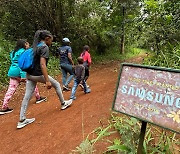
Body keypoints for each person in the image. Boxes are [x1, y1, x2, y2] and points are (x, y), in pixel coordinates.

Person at [17, 30, 72, 129]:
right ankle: (63, 103)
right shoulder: (44, 47)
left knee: (27, 96)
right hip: (38, 74)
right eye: (51, 40)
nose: (51, 42)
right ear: (47, 39)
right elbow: (42, 64)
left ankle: (21, 119)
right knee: (56, 84)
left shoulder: (35, 46)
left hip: (29, 75)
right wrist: (47, 80)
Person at [0, 39, 46, 115]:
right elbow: (22, 64)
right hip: (20, 72)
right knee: (32, 83)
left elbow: (15, 62)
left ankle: (4, 107)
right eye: (27, 44)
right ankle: (38, 97)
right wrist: (23, 75)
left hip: (12, 72)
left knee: (11, 89)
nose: (28, 45)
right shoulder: (23, 52)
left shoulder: (13, 52)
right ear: (24, 44)